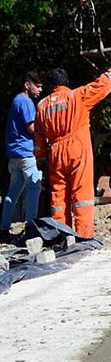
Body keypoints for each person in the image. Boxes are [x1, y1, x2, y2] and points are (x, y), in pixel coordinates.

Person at [35, 66, 111, 238]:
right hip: (77, 149)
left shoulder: (42, 105)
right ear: (66, 82)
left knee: (59, 195)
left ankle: (61, 235)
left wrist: (40, 156)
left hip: (55, 152)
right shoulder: (77, 96)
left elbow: (38, 136)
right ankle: (84, 235)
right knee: (81, 193)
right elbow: (101, 85)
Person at [0, 72, 44, 243]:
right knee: (35, 187)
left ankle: (4, 229)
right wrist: (45, 137)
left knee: (13, 193)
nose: (40, 89)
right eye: (37, 86)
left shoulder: (16, 100)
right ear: (27, 85)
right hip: (25, 154)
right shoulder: (26, 102)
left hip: (13, 155)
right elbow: (32, 127)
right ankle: (31, 228)